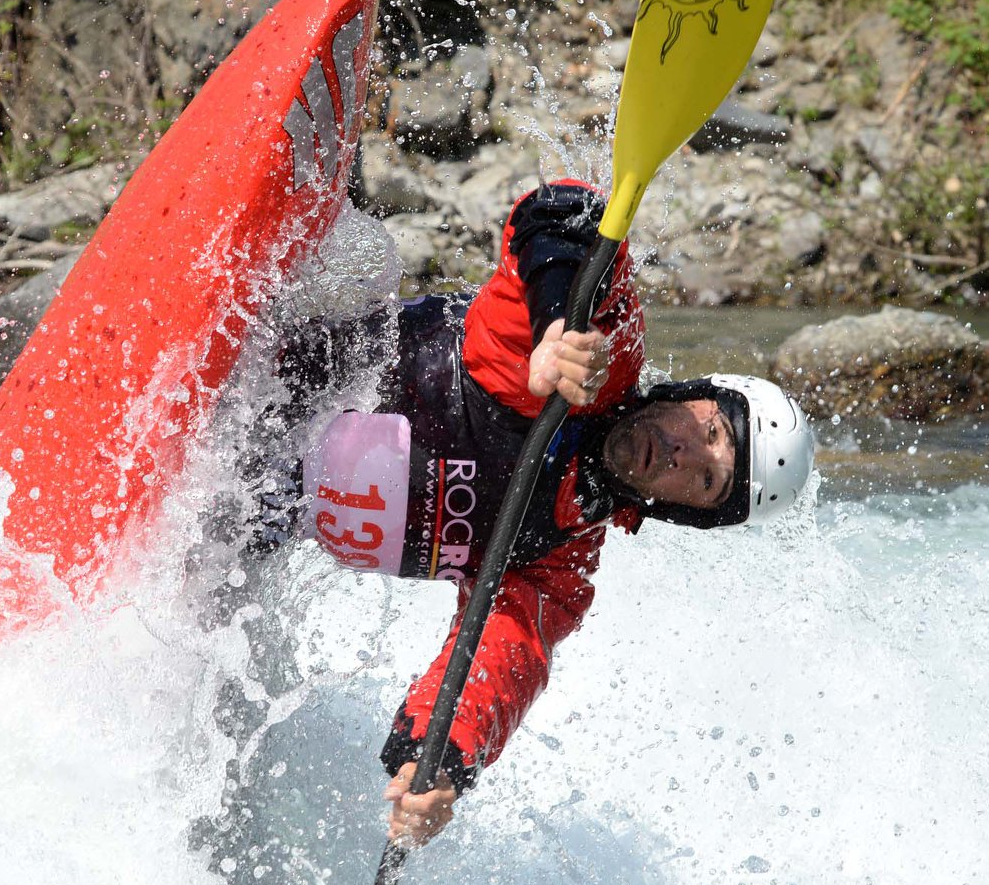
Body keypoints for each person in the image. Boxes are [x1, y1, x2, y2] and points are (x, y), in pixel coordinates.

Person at [230, 179, 816, 849]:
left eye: (707, 481)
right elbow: (561, 213)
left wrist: (438, 761)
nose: (683, 454)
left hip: (241, 518)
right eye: (711, 431)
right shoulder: (604, 352)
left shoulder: (557, 561)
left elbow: (497, 665)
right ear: (693, 395)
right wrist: (555, 329)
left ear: (687, 513)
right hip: (260, 370)